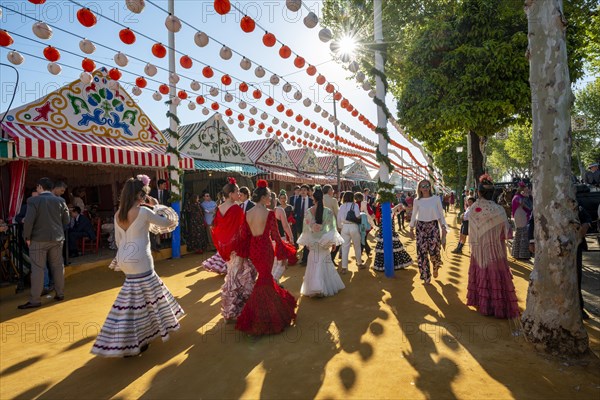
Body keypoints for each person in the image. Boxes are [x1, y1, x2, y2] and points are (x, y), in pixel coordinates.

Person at [91, 175, 182, 357]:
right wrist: (156, 205)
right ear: (141, 195)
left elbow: (118, 241)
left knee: (132, 301)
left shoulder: (118, 214)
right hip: (141, 258)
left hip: (125, 259)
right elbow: (169, 222)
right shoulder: (143, 211)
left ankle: (128, 338)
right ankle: (137, 340)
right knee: (145, 300)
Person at [235, 180, 297, 335]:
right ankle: (264, 317)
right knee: (264, 280)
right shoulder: (269, 213)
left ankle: (266, 313)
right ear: (263, 197)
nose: (271, 198)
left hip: (254, 251)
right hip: (265, 248)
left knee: (264, 279)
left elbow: (244, 236)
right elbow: (275, 236)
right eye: (269, 196)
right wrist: (284, 252)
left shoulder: (248, 213)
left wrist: (245, 254)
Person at [466, 174, 519, 319]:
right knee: (496, 276)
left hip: (478, 250)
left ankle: (483, 304)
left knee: (481, 274)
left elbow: (469, 224)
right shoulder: (499, 209)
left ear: (478, 192)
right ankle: (498, 307)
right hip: (495, 250)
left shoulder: (473, 208)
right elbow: (507, 233)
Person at [18, 178, 70, 309]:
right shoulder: (61, 201)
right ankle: (60, 293)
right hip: (57, 238)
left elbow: (29, 221)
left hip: (38, 239)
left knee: (37, 269)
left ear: (39, 187)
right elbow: (66, 220)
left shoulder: (33, 200)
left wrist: (27, 237)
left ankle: (35, 299)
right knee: (58, 266)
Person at [211, 178, 256, 322]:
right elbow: (242, 230)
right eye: (236, 191)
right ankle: (233, 310)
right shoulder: (236, 208)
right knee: (236, 277)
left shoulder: (219, 208)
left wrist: (224, 244)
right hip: (237, 248)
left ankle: (232, 309)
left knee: (233, 276)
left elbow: (217, 229)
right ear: (230, 194)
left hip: (227, 249)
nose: (238, 194)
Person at [297, 187, 345, 297]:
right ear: (322, 198)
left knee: (314, 263)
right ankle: (321, 287)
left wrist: (308, 243)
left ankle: (315, 287)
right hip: (324, 241)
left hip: (313, 242)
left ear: (313, 198)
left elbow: (306, 229)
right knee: (324, 263)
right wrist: (333, 243)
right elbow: (332, 229)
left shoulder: (308, 212)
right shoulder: (328, 212)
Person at [409, 179, 448, 284]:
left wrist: (443, 226)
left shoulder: (436, 199)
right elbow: (414, 214)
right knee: (422, 253)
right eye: (422, 186)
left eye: (427, 186)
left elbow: (440, 214)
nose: (425, 188)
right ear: (419, 188)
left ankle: (435, 267)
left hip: (433, 227)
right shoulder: (417, 200)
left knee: (434, 250)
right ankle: (426, 276)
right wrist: (411, 228)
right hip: (420, 227)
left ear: (430, 187)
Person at [373, 201, 413, 272]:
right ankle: (393, 265)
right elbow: (394, 209)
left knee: (386, 249)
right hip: (389, 234)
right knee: (393, 248)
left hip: (384, 233)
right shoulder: (389, 212)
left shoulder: (384, 213)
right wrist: (399, 206)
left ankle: (384, 265)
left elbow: (394, 211)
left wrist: (399, 209)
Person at [273, 190, 295, 284]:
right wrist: (291, 238)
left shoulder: (262, 210)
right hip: (280, 238)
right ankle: (274, 281)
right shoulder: (279, 210)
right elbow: (285, 226)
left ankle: (273, 282)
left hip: (268, 240)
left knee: (274, 263)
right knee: (282, 263)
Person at [337, 191, 363, 274]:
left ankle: (344, 267)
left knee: (344, 248)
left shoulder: (341, 206)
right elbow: (358, 216)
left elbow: (339, 218)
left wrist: (340, 228)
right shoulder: (355, 205)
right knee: (357, 246)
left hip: (344, 227)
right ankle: (359, 263)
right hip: (353, 226)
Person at [511, 182, 532, 260]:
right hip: (520, 215)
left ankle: (517, 253)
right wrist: (528, 196)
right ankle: (522, 254)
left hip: (519, 214)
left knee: (519, 233)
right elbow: (528, 206)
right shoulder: (518, 197)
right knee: (523, 232)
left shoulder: (518, 197)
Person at [294, 184, 313, 264]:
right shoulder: (298, 200)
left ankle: (305, 259)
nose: (303, 192)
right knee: (302, 238)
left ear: (308, 192)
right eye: (301, 190)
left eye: (305, 190)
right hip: (299, 221)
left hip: (308, 222)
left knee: (307, 238)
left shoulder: (311, 201)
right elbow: (296, 211)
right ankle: (305, 257)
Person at [322, 184, 341, 261]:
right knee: (336, 242)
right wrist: (339, 226)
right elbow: (337, 213)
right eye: (332, 190)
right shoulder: (333, 200)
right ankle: (331, 258)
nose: (333, 192)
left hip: (322, 224)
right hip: (332, 224)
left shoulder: (320, 199)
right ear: (329, 191)